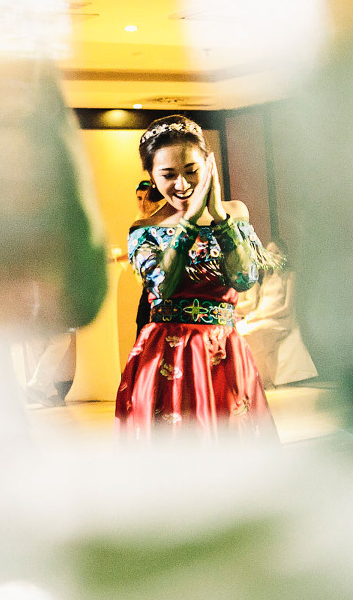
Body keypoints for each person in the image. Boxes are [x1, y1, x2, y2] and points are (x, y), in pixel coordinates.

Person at [115, 115, 276, 439]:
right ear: (152, 176)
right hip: (165, 356)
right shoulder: (145, 229)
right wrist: (187, 224)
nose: (182, 184)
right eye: (168, 175)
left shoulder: (234, 212)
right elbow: (163, 285)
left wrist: (219, 218)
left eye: (191, 171)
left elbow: (245, 278)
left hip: (224, 351)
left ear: (208, 164)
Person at [234, 239, 317, 387]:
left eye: (277, 252)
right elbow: (261, 306)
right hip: (264, 318)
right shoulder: (267, 277)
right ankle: (255, 378)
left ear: (284, 253)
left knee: (252, 332)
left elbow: (287, 308)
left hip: (280, 320)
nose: (273, 256)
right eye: (270, 253)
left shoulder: (290, 275)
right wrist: (254, 316)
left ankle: (265, 379)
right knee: (239, 330)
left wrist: (262, 316)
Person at [133, 179, 163, 329]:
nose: (143, 203)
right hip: (147, 283)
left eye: (146, 198)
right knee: (142, 320)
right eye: (139, 198)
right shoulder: (139, 220)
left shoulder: (162, 219)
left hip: (162, 282)